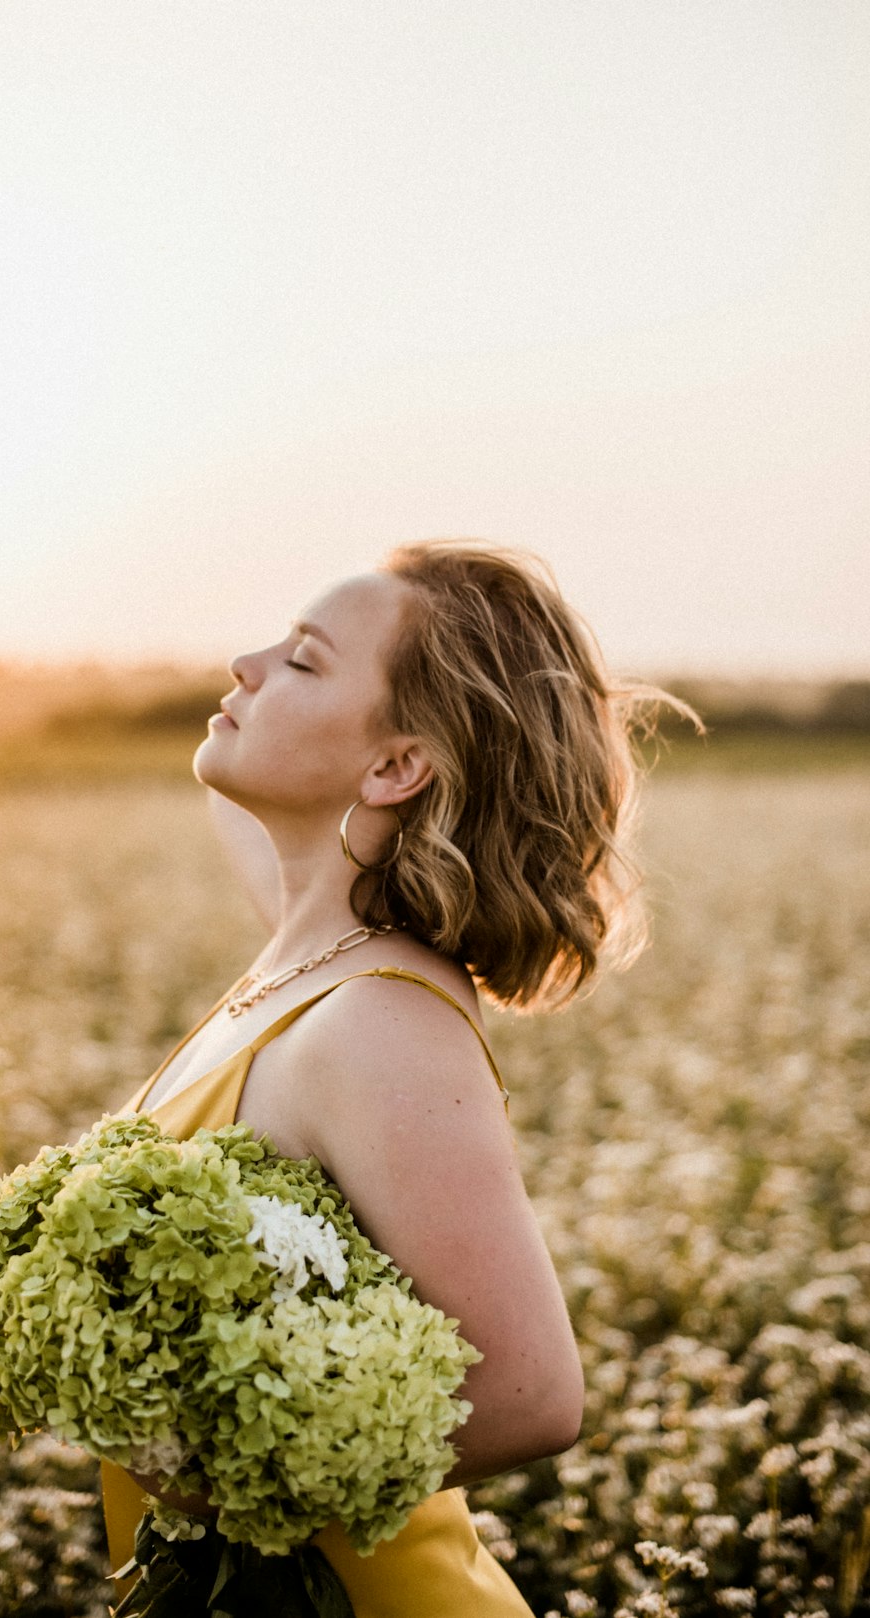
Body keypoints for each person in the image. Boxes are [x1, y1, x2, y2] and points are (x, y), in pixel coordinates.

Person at [102, 540, 659, 1617]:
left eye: (303, 661)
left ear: (397, 768)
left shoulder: (379, 1026)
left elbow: (532, 1397)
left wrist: (220, 1479)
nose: (246, 661)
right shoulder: (311, 946)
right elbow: (250, 801)